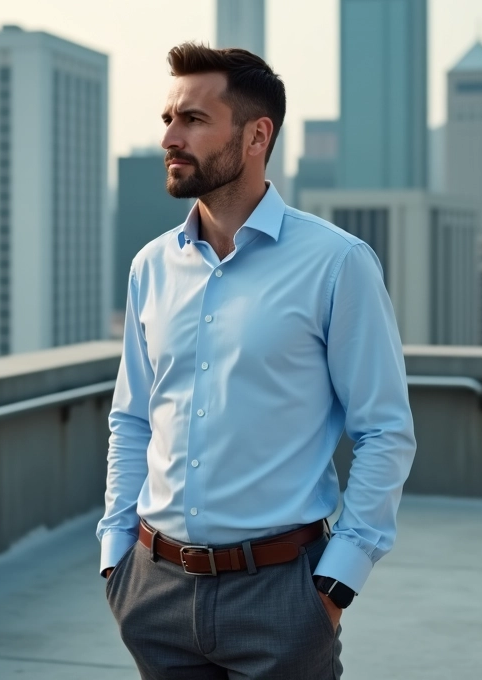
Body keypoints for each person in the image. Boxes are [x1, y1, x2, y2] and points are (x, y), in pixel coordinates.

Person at [99, 42, 416, 679]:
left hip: (281, 600)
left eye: (193, 119)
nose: (171, 136)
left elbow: (385, 432)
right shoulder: (151, 266)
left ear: (255, 136)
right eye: (168, 118)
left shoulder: (336, 263)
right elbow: (132, 419)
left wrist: (335, 588)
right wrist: (116, 558)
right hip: (153, 594)